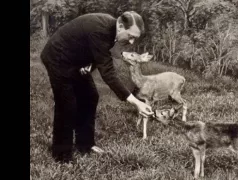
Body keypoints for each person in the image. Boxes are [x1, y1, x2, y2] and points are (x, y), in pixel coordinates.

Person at [40, 11, 154, 163]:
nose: (132, 42)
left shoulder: (111, 29)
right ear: (120, 25)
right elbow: (108, 72)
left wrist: (89, 64)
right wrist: (136, 102)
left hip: (75, 61)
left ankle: (85, 145)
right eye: (131, 36)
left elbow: (97, 51)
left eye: (135, 38)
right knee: (67, 104)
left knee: (90, 96)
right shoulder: (101, 29)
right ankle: (61, 155)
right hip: (57, 58)